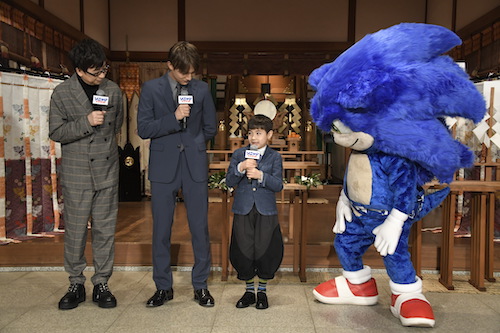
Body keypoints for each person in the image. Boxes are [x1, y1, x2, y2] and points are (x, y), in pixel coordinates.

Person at [137, 41, 217, 307]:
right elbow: (144, 129)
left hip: (193, 166)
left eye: (192, 72)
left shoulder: (202, 89)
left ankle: (201, 285)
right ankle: (163, 287)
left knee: (199, 228)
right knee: (161, 229)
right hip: (162, 167)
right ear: (170, 65)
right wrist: (174, 117)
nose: (189, 77)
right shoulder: (150, 89)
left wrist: (193, 144)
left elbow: (210, 128)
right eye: (184, 72)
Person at [49, 38, 123, 310]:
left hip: (107, 171)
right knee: (76, 232)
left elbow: (118, 125)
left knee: (105, 231)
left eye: (104, 69)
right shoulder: (62, 94)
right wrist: (86, 122)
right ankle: (75, 283)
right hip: (77, 171)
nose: (101, 75)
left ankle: (102, 282)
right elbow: (56, 132)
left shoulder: (113, 91)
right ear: (79, 70)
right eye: (96, 72)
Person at [225, 115, 284, 309]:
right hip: (243, 208)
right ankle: (249, 291)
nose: (254, 137)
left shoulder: (275, 157)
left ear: (269, 135)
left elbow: (278, 185)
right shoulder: (239, 154)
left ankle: (263, 292)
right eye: (250, 133)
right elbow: (229, 181)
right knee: (243, 249)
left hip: (266, 210)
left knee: (265, 249)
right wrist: (241, 167)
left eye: (259, 133)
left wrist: (261, 176)